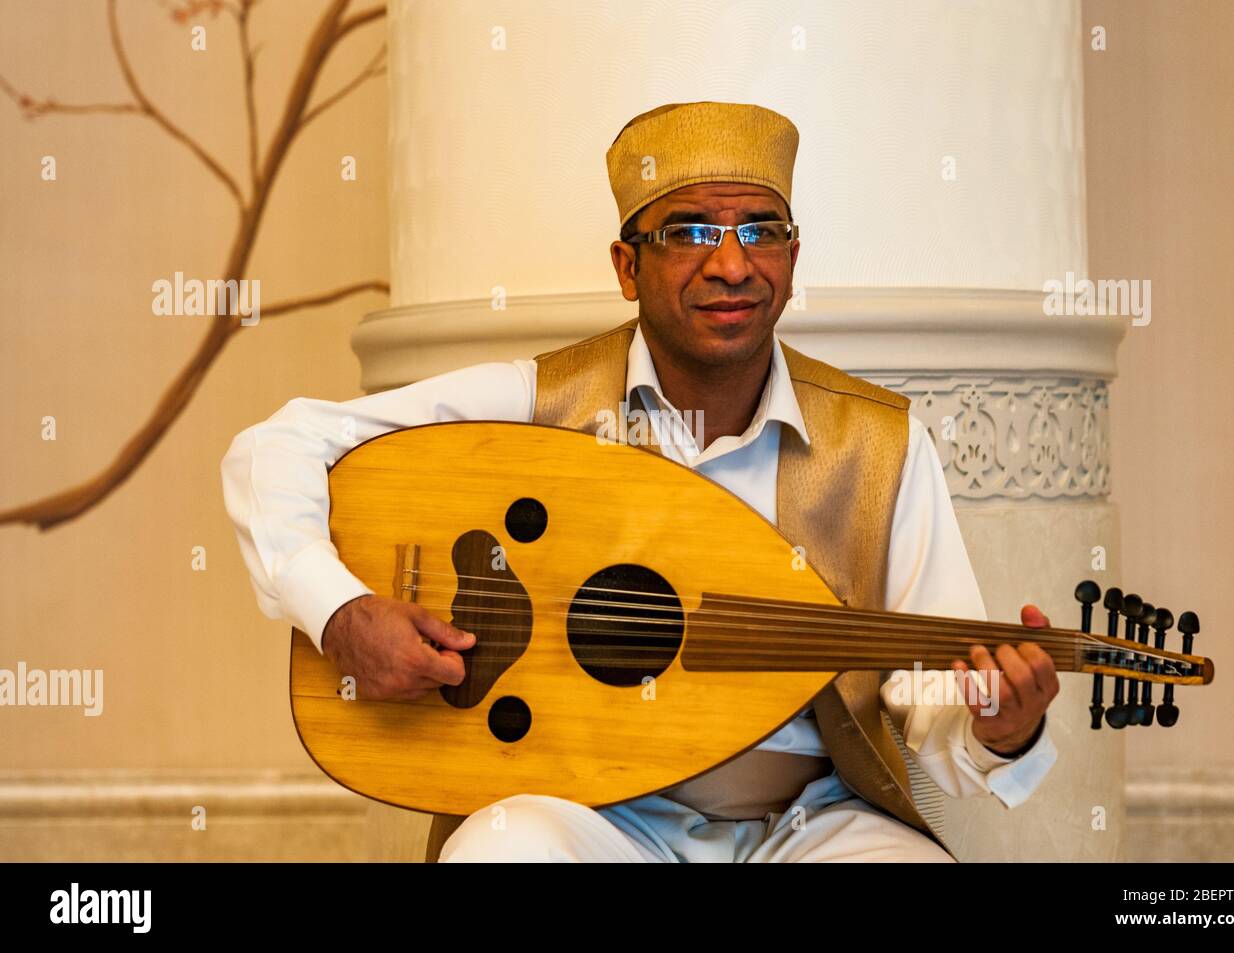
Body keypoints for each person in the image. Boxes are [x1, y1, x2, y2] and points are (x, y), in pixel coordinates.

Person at [221, 101, 1059, 863]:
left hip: (813, 822)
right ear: (627, 267)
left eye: (761, 231)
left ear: (793, 257)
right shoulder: (539, 402)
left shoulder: (877, 444)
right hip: (590, 812)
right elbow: (277, 446)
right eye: (690, 232)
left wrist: (998, 724)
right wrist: (338, 611)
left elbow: (926, 690)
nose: (732, 264)